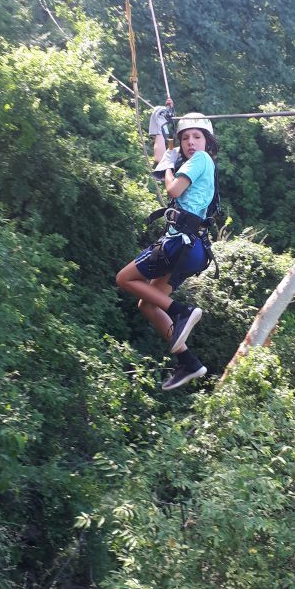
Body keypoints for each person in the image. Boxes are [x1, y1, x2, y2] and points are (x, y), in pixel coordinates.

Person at [116, 110, 218, 391]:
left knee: (124, 279)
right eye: (185, 138)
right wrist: (157, 127)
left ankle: (182, 311)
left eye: (197, 137)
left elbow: (172, 189)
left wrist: (170, 165)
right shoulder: (193, 163)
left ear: (207, 141)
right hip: (191, 251)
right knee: (147, 304)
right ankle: (189, 361)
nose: (191, 142)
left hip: (178, 244)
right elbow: (162, 156)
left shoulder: (201, 160)